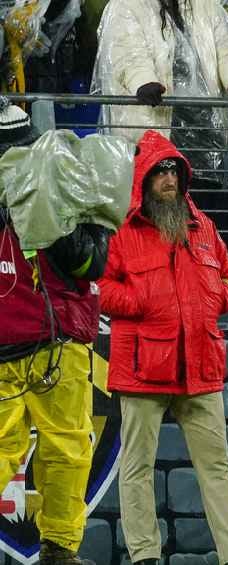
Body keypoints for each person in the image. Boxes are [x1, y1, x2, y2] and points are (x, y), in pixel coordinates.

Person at [98, 130, 228, 565]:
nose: (169, 179)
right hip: (144, 369)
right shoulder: (122, 231)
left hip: (200, 365)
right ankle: (145, 556)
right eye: (159, 172)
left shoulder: (203, 226)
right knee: (137, 468)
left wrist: (219, 297)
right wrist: (138, 301)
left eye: (174, 171)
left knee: (217, 467)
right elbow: (100, 287)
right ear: (144, 179)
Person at [0, 103, 110, 565]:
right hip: (44, 341)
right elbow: (92, 264)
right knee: (66, 447)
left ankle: (60, 550)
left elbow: (92, 263)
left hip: (44, 341)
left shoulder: (62, 182)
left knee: (54, 448)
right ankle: (60, 549)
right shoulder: (63, 180)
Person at [92, 0, 228, 185]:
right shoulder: (125, 5)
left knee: (208, 193)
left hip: (206, 129)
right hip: (154, 126)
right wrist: (143, 81)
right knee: (160, 196)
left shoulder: (207, 6)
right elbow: (127, 55)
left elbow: (225, 55)